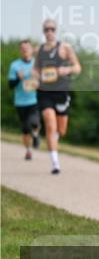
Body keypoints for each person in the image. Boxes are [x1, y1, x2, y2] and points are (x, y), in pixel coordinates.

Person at [33, 19, 82, 174]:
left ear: (56, 31)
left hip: (61, 92)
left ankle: (54, 137)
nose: (49, 32)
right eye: (46, 29)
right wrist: (35, 76)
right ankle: (55, 163)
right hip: (44, 91)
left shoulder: (64, 48)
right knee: (49, 123)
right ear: (43, 31)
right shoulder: (38, 50)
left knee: (61, 130)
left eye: (52, 29)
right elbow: (35, 70)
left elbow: (78, 67)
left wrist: (66, 70)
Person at [8, 39, 41, 160]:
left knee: (35, 122)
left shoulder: (37, 64)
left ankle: (36, 135)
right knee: (25, 129)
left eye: (27, 48)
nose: (25, 51)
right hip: (20, 102)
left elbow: (45, 80)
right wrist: (18, 78)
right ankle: (28, 151)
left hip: (34, 100)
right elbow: (10, 85)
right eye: (22, 49)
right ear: (20, 51)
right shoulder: (15, 65)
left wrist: (38, 79)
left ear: (31, 50)